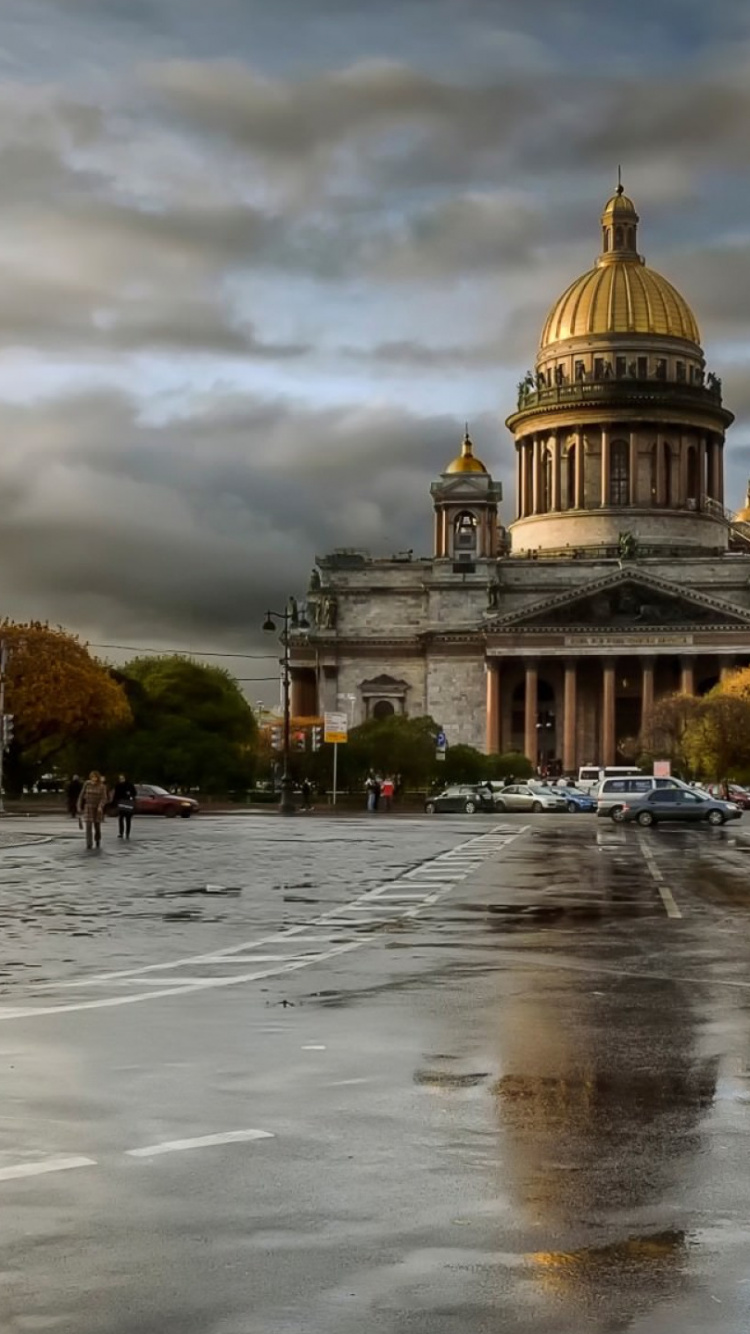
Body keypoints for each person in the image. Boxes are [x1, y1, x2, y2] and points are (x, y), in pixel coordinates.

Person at [77, 770, 108, 850]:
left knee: (97, 825)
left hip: (97, 807)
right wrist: (79, 806)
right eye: (92, 777)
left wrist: (100, 806)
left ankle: (97, 839)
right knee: (88, 825)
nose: (94, 779)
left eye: (95, 777)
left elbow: (104, 798)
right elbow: (81, 795)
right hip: (88, 806)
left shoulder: (102, 786)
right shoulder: (87, 784)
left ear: (98, 778)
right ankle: (89, 844)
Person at [111, 773, 137, 840]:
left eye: (122, 778)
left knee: (128, 819)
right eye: (120, 779)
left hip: (128, 803)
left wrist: (130, 794)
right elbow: (116, 795)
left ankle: (127, 833)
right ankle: (121, 833)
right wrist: (114, 803)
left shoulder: (130, 785)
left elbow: (134, 793)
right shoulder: (118, 785)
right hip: (121, 803)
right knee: (121, 818)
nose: (121, 780)